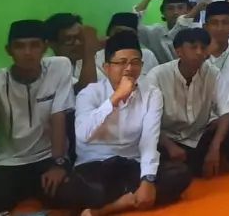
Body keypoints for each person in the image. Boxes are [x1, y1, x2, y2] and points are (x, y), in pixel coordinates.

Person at [55, 31, 192, 215]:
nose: (129, 68)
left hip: (132, 163)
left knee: (179, 174)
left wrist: (148, 180)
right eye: (121, 62)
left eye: (135, 62)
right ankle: (124, 200)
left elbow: (149, 140)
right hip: (95, 165)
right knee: (71, 190)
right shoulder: (89, 93)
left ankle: (108, 208)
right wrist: (115, 98)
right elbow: (83, 135)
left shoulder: (151, 94)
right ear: (106, 67)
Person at [0, 20, 74, 214]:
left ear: (45, 47)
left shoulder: (59, 67)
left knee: (73, 196)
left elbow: (58, 115)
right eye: (19, 46)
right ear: (9, 51)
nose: (28, 52)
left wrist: (58, 164)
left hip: (47, 158)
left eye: (34, 45)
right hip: (8, 162)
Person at [146, 28, 229, 179]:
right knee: (161, 162)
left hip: (197, 136)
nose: (199, 52)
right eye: (193, 47)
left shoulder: (212, 73)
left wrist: (215, 147)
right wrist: (170, 146)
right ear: (178, 51)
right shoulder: (157, 75)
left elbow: (227, 112)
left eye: (203, 48)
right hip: (167, 140)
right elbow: (147, 120)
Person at [133, 0, 190, 65]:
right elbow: (133, 25)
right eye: (170, 8)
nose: (175, 12)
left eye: (180, 8)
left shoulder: (196, 32)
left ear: (188, 10)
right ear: (163, 12)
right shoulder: (155, 33)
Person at [45, 13, 99, 91]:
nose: (77, 43)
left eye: (80, 37)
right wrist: (89, 53)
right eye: (69, 39)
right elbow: (87, 91)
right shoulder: (49, 67)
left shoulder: (82, 62)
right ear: (52, 44)